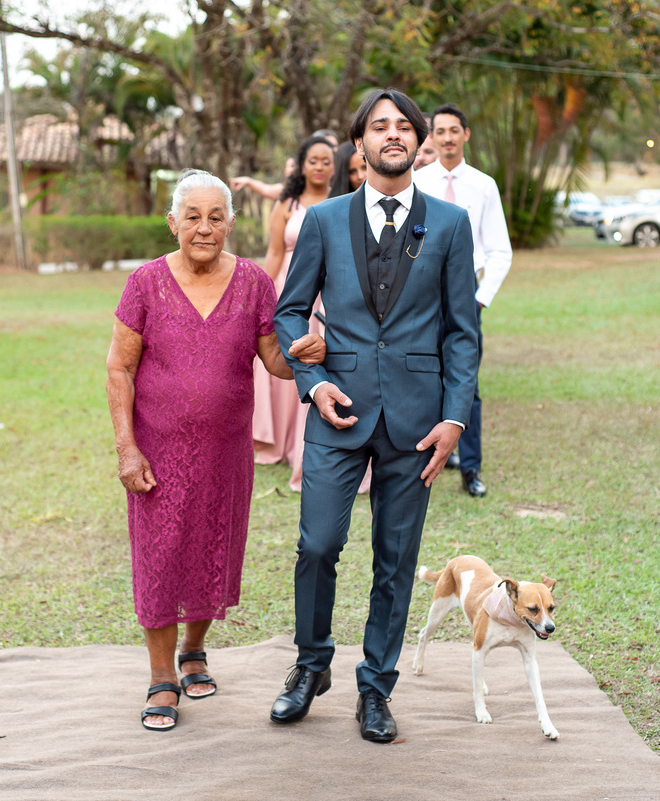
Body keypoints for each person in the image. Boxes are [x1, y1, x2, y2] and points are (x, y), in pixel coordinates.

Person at [269, 89, 479, 743]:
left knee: (395, 558)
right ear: (357, 143)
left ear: (419, 143)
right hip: (337, 413)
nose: (392, 134)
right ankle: (310, 665)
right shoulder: (324, 221)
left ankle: (376, 686)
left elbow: (462, 333)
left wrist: (455, 419)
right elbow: (289, 310)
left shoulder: (448, 224)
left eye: (403, 126)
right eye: (378, 125)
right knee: (318, 545)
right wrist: (311, 380)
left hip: (417, 423)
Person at [106, 170, 325, 732]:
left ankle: (194, 648)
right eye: (193, 217)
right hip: (157, 451)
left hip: (227, 452)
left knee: (211, 550)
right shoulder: (145, 283)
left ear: (231, 222)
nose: (204, 228)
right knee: (159, 559)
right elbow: (120, 367)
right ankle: (161, 676)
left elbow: (274, 360)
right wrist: (127, 450)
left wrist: (307, 352)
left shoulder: (253, 282)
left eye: (216, 217)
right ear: (173, 222)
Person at [413, 103, 513, 498]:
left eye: (455, 130)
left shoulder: (483, 185)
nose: (448, 138)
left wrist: (480, 300)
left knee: (466, 383)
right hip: (421, 298)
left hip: (466, 296)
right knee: (420, 379)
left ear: (466, 135)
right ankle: (422, 462)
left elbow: (499, 250)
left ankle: (471, 469)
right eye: (441, 131)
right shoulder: (416, 182)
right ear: (432, 138)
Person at [253, 136, 334, 491]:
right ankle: (280, 443)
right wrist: (261, 296)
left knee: (315, 359)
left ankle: (306, 442)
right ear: (301, 164)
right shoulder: (286, 204)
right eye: (312, 160)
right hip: (288, 286)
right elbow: (273, 254)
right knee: (282, 360)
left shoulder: (342, 202)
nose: (319, 166)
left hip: (327, 291)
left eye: (326, 160)